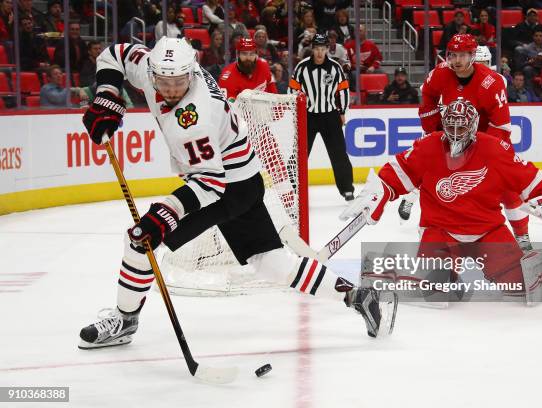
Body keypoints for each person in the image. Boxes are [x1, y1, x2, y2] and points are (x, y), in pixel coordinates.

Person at [78, 37, 396, 348]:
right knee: (271, 263)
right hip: (244, 179)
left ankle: (125, 318)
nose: (172, 89)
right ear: (151, 73)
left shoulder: (194, 118)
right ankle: (359, 296)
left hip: (226, 186)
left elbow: (209, 184)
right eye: (164, 81)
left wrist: (164, 215)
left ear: (191, 73)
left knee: (141, 239)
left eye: (179, 81)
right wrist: (106, 91)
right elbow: (114, 55)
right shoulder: (154, 65)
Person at [341, 99, 542, 302]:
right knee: (434, 289)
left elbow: (527, 176)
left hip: (487, 231)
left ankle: (527, 268)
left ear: (474, 125)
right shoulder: (428, 146)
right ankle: (437, 277)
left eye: (461, 125)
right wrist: (377, 193)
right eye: (451, 124)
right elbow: (397, 173)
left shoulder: (494, 149)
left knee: (520, 285)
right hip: (441, 231)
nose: (455, 131)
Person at [415, 34, 533, 250]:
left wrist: (480, 154)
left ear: (473, 55)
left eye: (462, 55)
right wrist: (436, 128)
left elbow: (501, 127)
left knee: (507, 187)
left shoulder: (492, 82)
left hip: (486, 142)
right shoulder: (440, 73)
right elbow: (427, 95)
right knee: (436, 188)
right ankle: (436, 241)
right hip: (453, 140)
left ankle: (522, 235)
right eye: (452, 55)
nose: (456, 60)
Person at [289, 34, 354, 201]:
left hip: (330, 116)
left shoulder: (335, 67)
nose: (319, 53)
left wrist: (342, 112)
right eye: (317, 49)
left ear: (327, 49)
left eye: (322, 49)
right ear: (312, 49)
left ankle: (347, 189)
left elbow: (343, 89)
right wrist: (295, 112)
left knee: (339, 153)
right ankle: (293, 188)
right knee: (299, 154)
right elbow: (291, 91)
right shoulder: (302, 67)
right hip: (307, 116)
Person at [218, 37, 277, 102]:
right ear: (237, 54)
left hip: (265, 110)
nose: (248, 58)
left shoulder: (263, 65)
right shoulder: (228, 77)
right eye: (244, 54)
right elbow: (229, 108)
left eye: (251, 54)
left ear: (256, 55)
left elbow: (274, 94)